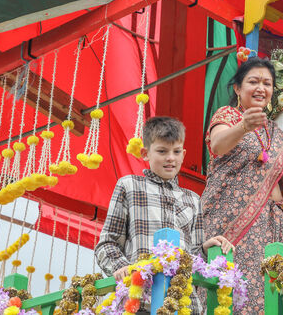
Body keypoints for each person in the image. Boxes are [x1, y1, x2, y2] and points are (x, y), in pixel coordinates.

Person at [201, 56, 283, 314]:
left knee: (262, 296)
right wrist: (242, 126)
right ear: (238, 88)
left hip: (269, 224)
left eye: (267, 83)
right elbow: (217, 145)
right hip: (229, 217)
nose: (261, 88)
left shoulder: (278, 135)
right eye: (253, 81)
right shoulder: (228, 115)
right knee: (225, 291)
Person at [95, 116, 232, 313]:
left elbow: (192, 256)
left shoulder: (193, 199)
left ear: (183, 154)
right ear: (145, 153)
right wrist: (124, 268)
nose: (171, 158)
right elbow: (107, 243)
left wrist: (204, 248)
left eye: (176, 152)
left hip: (182, 301)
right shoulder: (129, 186)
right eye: (162, 151)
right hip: (139, 300)